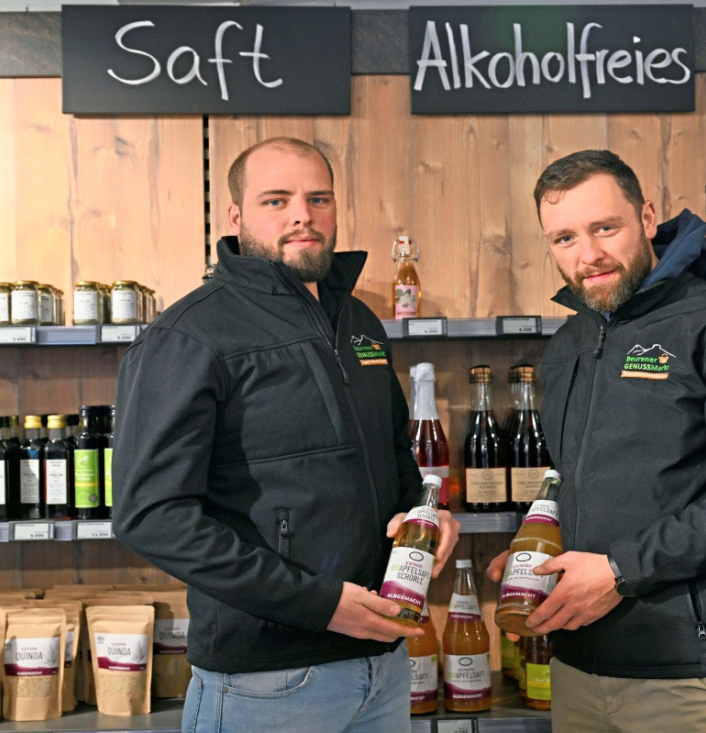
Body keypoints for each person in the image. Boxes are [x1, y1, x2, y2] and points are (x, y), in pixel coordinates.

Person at [112, 137, 460, 733]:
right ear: (236, 216)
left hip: (383, 663)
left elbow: (392, 454)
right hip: (266, 683)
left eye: (318, 198)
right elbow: (149, 516)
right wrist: (319, 605)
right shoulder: (190, 336)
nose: (303, 215)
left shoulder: (358, 321)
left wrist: (424, 515)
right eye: (276, 200)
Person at [488, 150, 706, 732]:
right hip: (579, 663)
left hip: (692, 675)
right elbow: (588, 485)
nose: (587, 255)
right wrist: (537, 555)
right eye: (564, 238)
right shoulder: (569, 345)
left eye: (604, 228)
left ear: (646, 218)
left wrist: (621, 570)